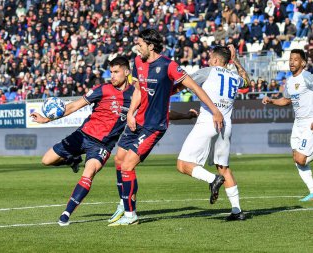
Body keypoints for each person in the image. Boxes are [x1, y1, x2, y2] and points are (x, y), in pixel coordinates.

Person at [108, 29, 224, 226]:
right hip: (137, 120)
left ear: (151, 46)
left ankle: (130, 215)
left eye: (141, 45)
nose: (138, 48)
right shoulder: (137, 62)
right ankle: (124, 202)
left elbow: (195, 87)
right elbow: (138, 90)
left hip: (154, 126)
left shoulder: (169, 66)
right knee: (119, 160)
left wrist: (215, 111)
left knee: (128, 165)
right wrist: (130, 113)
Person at [30, 57, 135, 226]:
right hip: (83, 135)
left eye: (116, 72)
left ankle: (66, 214)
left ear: (127, 72)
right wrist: (46, 119)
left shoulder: (135, 95)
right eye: (111, 72)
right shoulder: (103, 89)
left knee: (89, 172)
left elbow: (152, 113)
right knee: (46, 160)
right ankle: (74, 159)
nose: (113, 76)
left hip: (102, 145)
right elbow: (73, 106)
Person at [177, 45, 250, 221]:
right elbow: (247, 83)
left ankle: (212, 180)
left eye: (210, 58)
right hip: (226, 126)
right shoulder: (234, 76)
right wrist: (237, 62)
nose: (209, 61)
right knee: (223, 168)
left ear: (216, 60)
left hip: (208, 122)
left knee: (182, 164)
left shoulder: (209, 71)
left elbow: (184, 83)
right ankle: (237, 210)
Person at [262, 49, 313, 202]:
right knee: (296, 158)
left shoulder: (307, 77)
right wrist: (271, 100)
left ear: (303, 63)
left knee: (301, 158)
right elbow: (286, 101)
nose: (292, 62)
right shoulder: (289, 81)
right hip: (298, 123)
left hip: (310, 121)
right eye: (290, 59)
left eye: (296, 59)